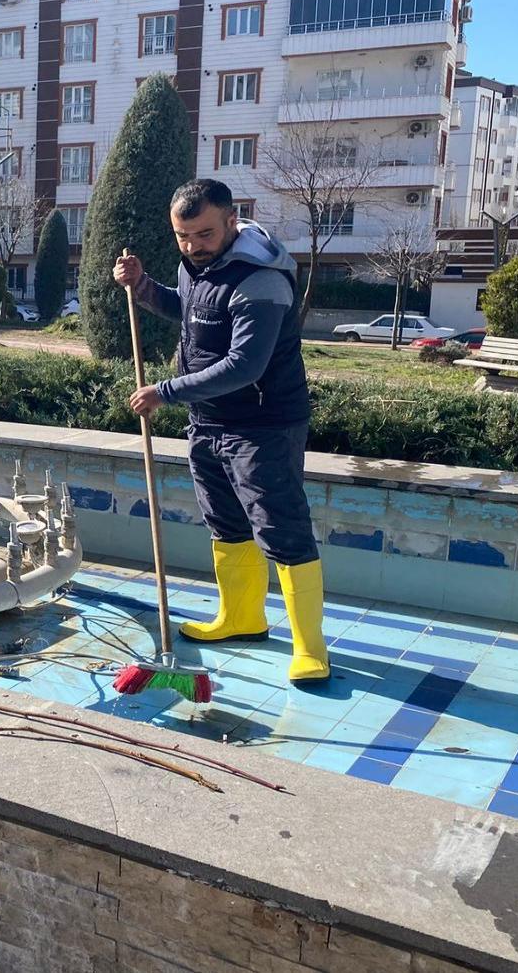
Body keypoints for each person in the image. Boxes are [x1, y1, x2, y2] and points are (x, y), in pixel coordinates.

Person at [111, 178, 328, 683]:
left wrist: (164, 391)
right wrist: (142, 287)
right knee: (226, 524)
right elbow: (190, 310)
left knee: (282, 529)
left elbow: (245, 365)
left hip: (263, 425)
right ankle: (242, 618)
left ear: (233, 220)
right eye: (182, 237)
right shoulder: (196, 267)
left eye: (204, 234)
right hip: (209, 421)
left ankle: (311, 648)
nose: (192, 246)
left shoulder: (261, 280)